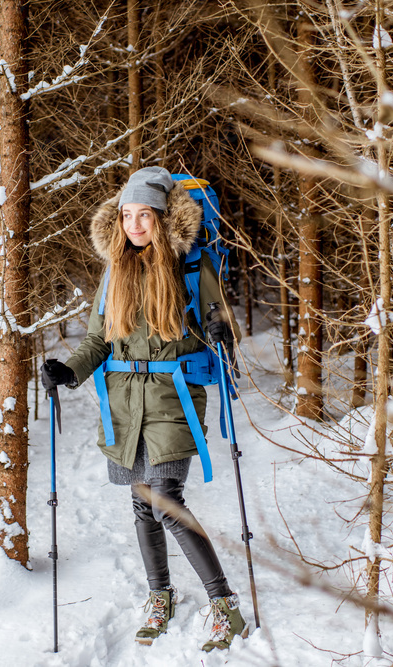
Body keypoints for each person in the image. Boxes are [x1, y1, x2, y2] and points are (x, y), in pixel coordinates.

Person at [40, 166, 247, 651]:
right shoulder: (115, 271)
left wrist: (220, 335)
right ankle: (161, 596)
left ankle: (224, 605)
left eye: (144, 214)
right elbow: (97, 338)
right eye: (126, 214)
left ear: (162, 216)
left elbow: (222, 323)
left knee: (164, 502)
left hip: (174, 399)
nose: (134, 224)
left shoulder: (192, 266)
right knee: (141, 506)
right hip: (125, 405)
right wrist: (70, 372)